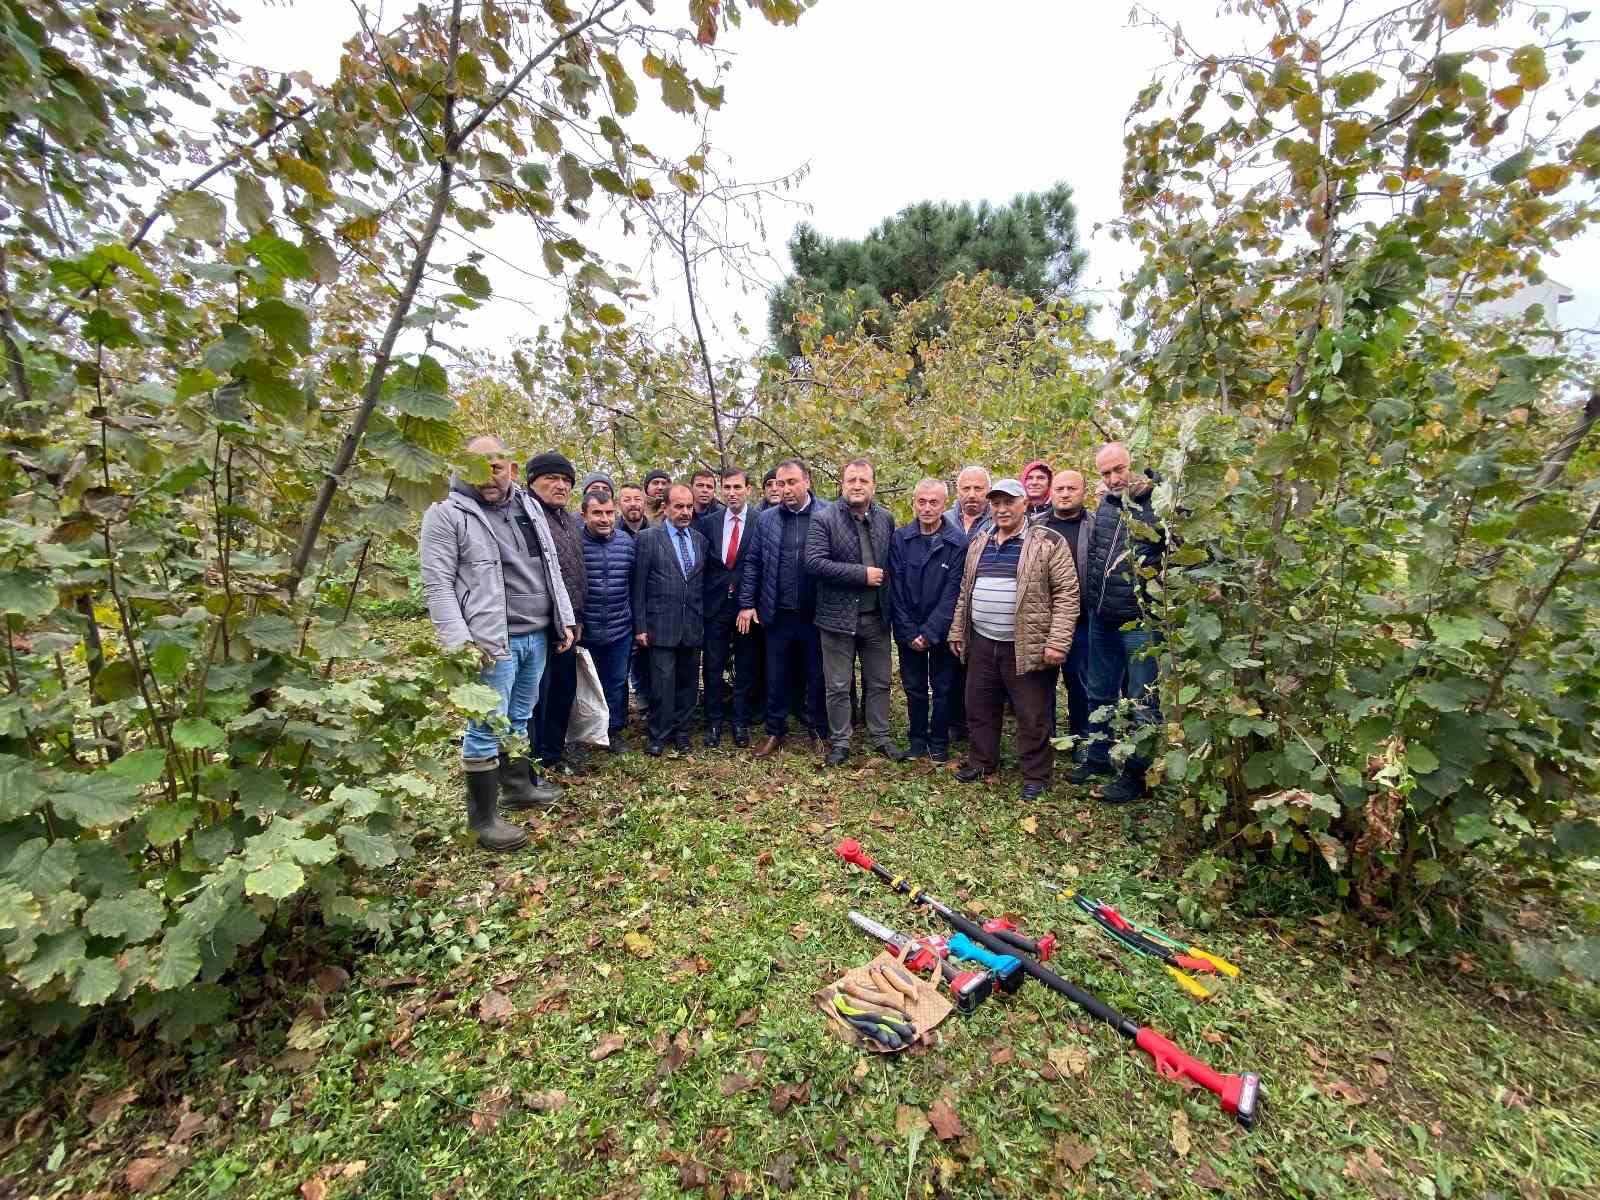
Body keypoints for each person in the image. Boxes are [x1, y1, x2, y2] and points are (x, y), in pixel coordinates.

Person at [420, 436, 575, 851]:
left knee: (520, 717)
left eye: (498, 465)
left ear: (511, 467)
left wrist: (564, 619)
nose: (491, 474)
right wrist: (461, 645)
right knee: (487, 725)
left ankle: (518, 786)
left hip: (537, 633)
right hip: (490, 640)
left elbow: (549, 566)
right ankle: (484, 819)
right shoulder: (446, 514)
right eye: (480, 466)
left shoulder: (527, 507)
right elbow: (437, 587)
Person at [948, 478, 1079, 802]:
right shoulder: (980, 540)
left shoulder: (1048, 541)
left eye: (1009, 502)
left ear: (1025, 504)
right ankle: (982, 761)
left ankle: (1035, 775)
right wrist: (957, 630)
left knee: (1032, 714)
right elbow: (966, 590)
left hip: (1028, 643)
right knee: (979, 706)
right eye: (997, 503)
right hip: (982, 640)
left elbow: (1067, 594)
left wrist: (1058, 641)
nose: (1002, 509)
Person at [1071, 442, 1167, 804]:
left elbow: (1192, 555)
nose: (1113, 479)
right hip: (1102, 616)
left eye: (1119, 470)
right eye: (1106, 473)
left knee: (1142, 701)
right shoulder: (1108, 506)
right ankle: (1097, 756)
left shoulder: (1161, 506)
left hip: (1140, 621)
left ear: (1137, 465)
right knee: (1099, 691)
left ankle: (1135, 775)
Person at [805, 457, 908, 766]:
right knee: (837, 684)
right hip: (836, 618)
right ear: (843, 484)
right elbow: (814, 562)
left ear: (873, 485)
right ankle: (840, 741)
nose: (857, 485)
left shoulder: (886, 519)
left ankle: (880, 736)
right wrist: (861, 575)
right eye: (851, 480)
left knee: (879, 681)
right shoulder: (824, 519)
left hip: (877, 617)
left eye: (863, 480)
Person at [737, 458, 827, 758]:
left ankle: (817, 729)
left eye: (791, 482)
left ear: (807, 481)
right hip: (776, 613)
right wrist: (748, 603)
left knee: (816, 674)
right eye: (780, 483)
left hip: (817, 614)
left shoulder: (828, 514)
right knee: (776, 674)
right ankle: (775, 731)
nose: (785, 489)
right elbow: (753, 563)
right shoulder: (767, 519)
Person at [888, 478, 966, 762]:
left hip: (941, 629)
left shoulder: (957, 542)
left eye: (934, 502)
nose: (927, 508)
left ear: (945, 505)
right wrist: (909, 631)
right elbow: (895, 587)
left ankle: (939, 741)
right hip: (908, 628)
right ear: (914, 503)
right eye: (922, 501)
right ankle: (918, 739)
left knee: (944, 688)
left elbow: (953, 592)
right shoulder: (900, 538)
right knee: (914, 687)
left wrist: (932, 632)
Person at [631, 484, 708, 756]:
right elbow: (637, 586)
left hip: (692, 625)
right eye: (679, 506)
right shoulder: (648, 539)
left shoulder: (699, 540)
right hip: (659, 626)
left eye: (689, 506)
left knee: (688, 683)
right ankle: (659, 734)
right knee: (662, 684)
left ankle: (683, 732)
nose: (685, 512)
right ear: (665, 508)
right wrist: (639, 626)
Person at [526, 451, 586, 779]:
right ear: (532, 481)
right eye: (552, 478)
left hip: (570, 622)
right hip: (542, 625)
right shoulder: (527, 516)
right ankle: (532, 762)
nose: (560, 485)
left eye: (565, 480)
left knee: (563, 690)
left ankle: (552, 753)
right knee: (538, 697)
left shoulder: (567, 519)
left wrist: (577, 619)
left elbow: (574, 572)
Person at [696, 466, 756, 748]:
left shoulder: (760, 521)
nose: (732, 493)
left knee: (745, 666)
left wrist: (751, 603)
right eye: (727, 488)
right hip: (715, 606)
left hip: (746, 608)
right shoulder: (708, 523)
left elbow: (762, 566)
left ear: (748, 490)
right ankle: (714, 722)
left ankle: (740, 721)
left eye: (737, 487)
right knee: (712, 666)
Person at [1033, 469, 1093, 748]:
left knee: (1080, 683)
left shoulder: (1094, 527)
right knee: (1041, 685)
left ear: (1084, 491)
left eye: (1072, 488)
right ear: (1051, 492)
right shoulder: (1034, 527)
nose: (1065, 494)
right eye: (1060, 489)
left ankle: (1082, 740)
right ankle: (1047, 738)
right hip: (1040, 619)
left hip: (1082, 620)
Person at [578, 489, 635, 754]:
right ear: (584, 515)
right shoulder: (574, 542)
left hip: (619, 628)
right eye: (597, 513)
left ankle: (613, 732)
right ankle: (580, 737)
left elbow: (634, 585)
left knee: (616, 682)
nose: (605, 519)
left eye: (609, 513)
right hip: (584, 631)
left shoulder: (626, 542)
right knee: (582, 687)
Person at [944, 464, 993, 744]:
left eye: (978, 488)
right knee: (951, 669)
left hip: (982, 607)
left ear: (987, 491)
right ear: (957, 490)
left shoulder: (997, 519)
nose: (972, 494)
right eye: (966, 488)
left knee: (979, 672)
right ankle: (954, 722)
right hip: (948, 604)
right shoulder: (945, 518)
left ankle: (979, 725)